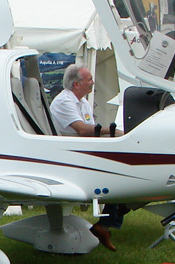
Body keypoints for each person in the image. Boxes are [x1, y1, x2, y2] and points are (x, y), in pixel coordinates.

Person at [49, 64, 122, 250]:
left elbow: (92, 131)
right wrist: (113, 131)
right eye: (89, 80)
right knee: (120, 179)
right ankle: (104, 225)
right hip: (68, 157)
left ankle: (104, 225)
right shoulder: (64, 102)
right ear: (76, 84)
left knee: (124, 180)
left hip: (82, 153)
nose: (92, 83)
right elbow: (82, 130)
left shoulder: (82, 102)